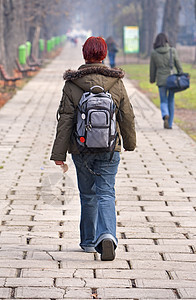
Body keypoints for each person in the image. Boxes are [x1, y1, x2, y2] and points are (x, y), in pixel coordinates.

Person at [50, 36, 136, 261]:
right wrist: (129, 143)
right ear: (104, 55)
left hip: (81, 148)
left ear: (84, 55)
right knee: (106, 192)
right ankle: (107, 235)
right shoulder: (116, 82)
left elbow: (65, 120)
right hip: (109, 149)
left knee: (88, 195)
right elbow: (127, 115)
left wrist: (59, 155)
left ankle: (89, 242)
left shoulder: (72, 84)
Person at [150, 33, 183, 129]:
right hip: (171, 79)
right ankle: (170, 123)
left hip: (161, 80)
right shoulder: (172, 51)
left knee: (163, 100)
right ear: (166, 40)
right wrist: (181, 74)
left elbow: (152, 68)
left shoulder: (154, 53)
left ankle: (165, 114)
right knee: (171, 100)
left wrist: (152, 79)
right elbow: (178, 64)